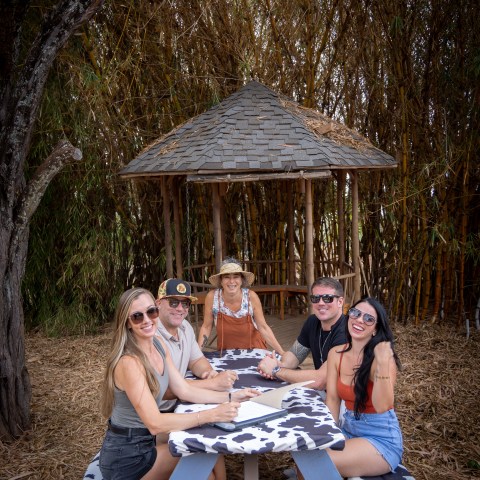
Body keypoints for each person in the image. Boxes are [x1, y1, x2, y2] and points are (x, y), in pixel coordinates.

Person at [99, 287, 258, 480]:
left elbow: (183, 390)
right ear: (128, 323)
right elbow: (155, 423)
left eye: (151, 312)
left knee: (209, 450)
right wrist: (210, 414)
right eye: (137, 316)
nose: (147, 320)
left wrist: (232, 396)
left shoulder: (157, 344)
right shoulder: (129, 363)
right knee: (205, 464)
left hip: (146, 441)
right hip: (127, 457)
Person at [325, 297, 403, 477]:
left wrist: (383, 362)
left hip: (380, 439)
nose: (360, 320)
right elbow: (333, 399)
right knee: (308, 453)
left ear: (375, 329)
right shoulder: (336, 354)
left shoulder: (381, 360)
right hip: (348, 429)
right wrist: (330, 432)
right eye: (355, 313)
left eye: (369, 319)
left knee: (322, 461)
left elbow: (383, 405)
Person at [155, 278, 238, 413]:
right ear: (158, 303)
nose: (180, 309)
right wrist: (213, 383)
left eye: (185, 303)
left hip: (176, 403)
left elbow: (196, 360)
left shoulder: (185, 327)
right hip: (153, 414)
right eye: (173, 302)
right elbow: (164, 389)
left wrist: (208, 373)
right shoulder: (151, 335)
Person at [257, 277, 347, 392]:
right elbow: (294, 355)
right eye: (315, 298)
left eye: (327, 298)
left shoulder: (347, 332)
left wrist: (276, 371)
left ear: (340, 302)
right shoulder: (313, 321)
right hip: (327, 393)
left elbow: (320, 381)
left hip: (347, 402)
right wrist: (278, 364)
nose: (320, 303)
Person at [197, 257, 284, 353]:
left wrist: (282, 353)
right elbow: (206, 327)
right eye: (227, 277)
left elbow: (263, 327)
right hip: (226, 353)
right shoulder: (212, 297)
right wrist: (197, 353)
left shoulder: (251, 297)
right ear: (221, 281)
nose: (231, 281)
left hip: (254, 351)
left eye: (236, 276)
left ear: (242, 280)